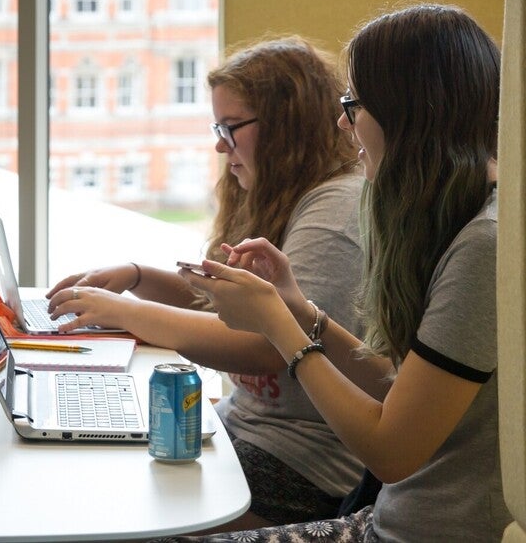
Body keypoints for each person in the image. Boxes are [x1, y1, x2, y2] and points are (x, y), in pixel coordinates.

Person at [166, 4, 509, 542]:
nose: (344, 122)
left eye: (353, 104)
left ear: (408, 112)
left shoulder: (482, 248)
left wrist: (279, 325)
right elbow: (402, 394)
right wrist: (301, 311)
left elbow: (392, 452)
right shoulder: (465, 223)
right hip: (389, 522)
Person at [46, 37, 390, 529]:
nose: (218, 144)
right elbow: (233, 305)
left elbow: (266, 342)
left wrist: (122, 313)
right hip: (246, 430)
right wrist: (138, 278)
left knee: (102, 503)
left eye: (230, 128)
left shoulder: (334, 210)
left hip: (299, 468)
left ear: (284, 128)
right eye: (217, 127)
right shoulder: (284, 196)